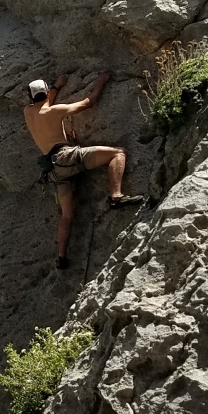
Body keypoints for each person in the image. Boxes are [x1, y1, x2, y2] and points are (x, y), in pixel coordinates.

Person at [23, 72, 143, 269]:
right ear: (45, 92)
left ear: (30, 97)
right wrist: (100, 82)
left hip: (54, 170)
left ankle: (61, 257)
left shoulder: (28, 112)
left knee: (67, 215)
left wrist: (56, 86)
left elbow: (43, 105)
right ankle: (116, 196)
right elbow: (89, 102)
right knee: (117, 153)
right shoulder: (57, 111)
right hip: (66, 157)